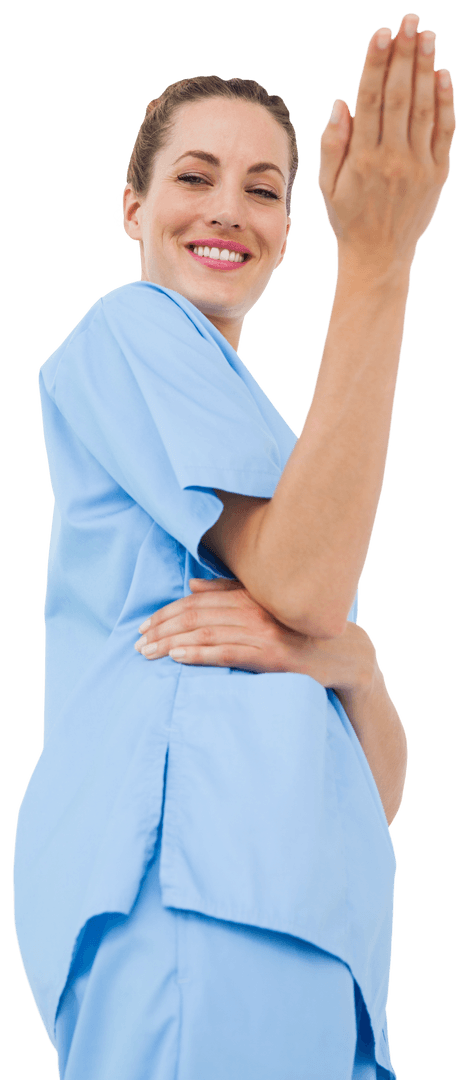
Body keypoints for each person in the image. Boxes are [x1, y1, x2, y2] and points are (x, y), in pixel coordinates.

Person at [12, 11, 455, 1080]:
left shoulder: (276, 451)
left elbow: (374, 786)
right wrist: (382, 264)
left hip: (313, 930)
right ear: (132, 207)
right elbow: (305, 583)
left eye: (264, 189)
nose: (228, 209)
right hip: (197, 906)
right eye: (194, 177)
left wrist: (351, 662)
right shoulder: (130, 331)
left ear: (288, 228)